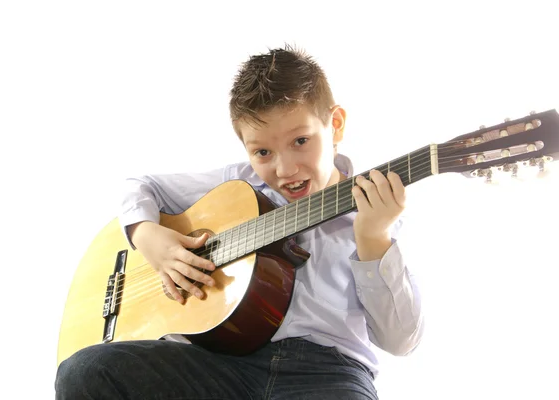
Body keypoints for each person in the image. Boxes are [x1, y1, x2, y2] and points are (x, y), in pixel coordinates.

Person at [55, 44, 424, 399]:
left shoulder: (378, 211)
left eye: (301, 141)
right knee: (85, 372)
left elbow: (401, 339)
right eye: (263, 151)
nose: (285, 168)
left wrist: (374, 238)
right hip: (217, 363)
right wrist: (149, 238)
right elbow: (140, 187)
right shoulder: (239, 184)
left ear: (336, 124)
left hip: (327, 373)